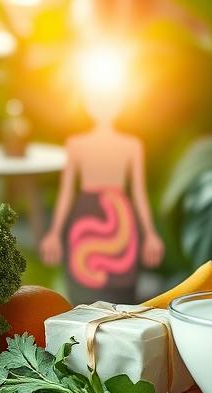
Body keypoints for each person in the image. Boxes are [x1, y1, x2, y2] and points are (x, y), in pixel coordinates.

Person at [40, 86, 163, 304]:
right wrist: (55, 233)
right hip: (85, 218)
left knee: (122, 293)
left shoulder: (132, 145)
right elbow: (66, 191)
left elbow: (138, 192)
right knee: (83, 295)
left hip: (122, 221)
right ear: (88, 105)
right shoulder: (76, 144)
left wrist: (150, 234)